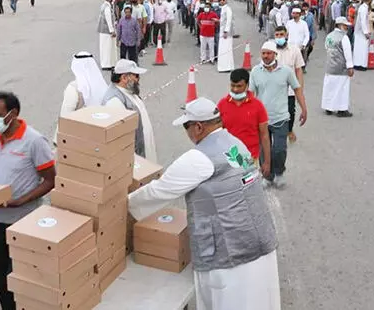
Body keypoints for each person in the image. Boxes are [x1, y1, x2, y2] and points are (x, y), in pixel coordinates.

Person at [128, 97, 280, 310]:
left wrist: (123, 205)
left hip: (231, 253)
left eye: (186, 126)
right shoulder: (236, 143)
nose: (187, 133)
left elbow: (160, 190)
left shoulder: (199, 158)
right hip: (260, 240)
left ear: (198, 127)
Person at [0, 92, 55, 310]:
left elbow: (49, 180)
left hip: (24, 221)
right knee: (0, 277)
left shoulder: (34, 141)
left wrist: (20, 201)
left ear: (13, 113)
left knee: (23, 277)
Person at [249, 41, 307, 188]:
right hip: (261, 121)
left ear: (275, 54)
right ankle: (267, 176)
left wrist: (304, 109)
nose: (265, 56)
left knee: (279, 149)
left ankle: (279, 173)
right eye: (263, 53)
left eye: (268, 53)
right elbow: (250, 94)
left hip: (281, 118)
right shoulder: (255, 71)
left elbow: (297, 89)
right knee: (263, 150)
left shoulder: (286, 71)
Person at [217, 69, 271, 177]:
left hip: (249, 157)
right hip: (227, 156)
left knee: (247, 187)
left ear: (247, 85)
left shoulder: (258, 106)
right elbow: (216, 132)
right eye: (233, 85)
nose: (235, 89)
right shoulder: (222, 104)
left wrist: (267, 162)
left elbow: (264, 135)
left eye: (239, 86)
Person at [101, 59, 156, 161]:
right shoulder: (114, 102)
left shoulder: (129, 91)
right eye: (136, 76)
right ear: (124, 77)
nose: (138, 79)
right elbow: (121, 139)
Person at [272, 26, 305, 143]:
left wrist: (299, 86)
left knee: (290, 111)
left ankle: (289, 130)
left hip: (290, 89)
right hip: (274, 88)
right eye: (277, 35)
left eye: (281, 34)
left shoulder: (294, 50)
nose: (279, 37)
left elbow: (298, 69)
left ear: (286, 35)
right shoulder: (271, 50)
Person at [321, 16, 355, 117]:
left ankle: (328, 106)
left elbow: (326, 48)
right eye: (345, 26)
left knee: (329, 87)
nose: (346, 28)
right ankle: (341, 109)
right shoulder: (344, 38)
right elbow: (348, 54)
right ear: (340, 25)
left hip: (330, 66)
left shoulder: (329, 36)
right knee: (342, 89)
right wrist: (350, 67)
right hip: (341, 67)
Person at [98, 0, 116, 70]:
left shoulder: (104, 5)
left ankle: (107, 63)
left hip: (103, 30)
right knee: (107, 48)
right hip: (106, 31)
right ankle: (106, 64)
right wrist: (112, 31)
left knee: (105, 47)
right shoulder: (107, 7)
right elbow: (108, 20)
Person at [352, 0, 371, 70]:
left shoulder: (362, 7)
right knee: (363, 49)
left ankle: (357, 63)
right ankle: (362, 65)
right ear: (369, 0)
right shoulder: (364, 8)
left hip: (359, 31)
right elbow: (363, 21)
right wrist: (366, 32)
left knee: (358, 49)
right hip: (361, 32)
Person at [217, 0, 235, 72]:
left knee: (226, 49)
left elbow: (229, 21)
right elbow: (223, 20)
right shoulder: (223, 9)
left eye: (223, 0)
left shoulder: (228, 9)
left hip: (226, 33)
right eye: (220, 0)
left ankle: (227, 66)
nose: (222, 1)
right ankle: (223, 66)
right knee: (222, 49)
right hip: (222, 31)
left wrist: (226, 31)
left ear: (226, 0)